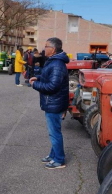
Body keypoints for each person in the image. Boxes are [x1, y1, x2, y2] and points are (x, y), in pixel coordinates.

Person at [29, 37, 70, 169]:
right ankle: (53, 155)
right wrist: (39, 77)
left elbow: (53, 86)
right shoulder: (54, 61)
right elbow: (50, 77)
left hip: (54, 103)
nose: (43, 48)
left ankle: (59, 160)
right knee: (54, 131)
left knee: (54, 133)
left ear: (52, 50)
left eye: (46, 46)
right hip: (53, 102)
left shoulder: (57, 64)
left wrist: (35, 84)